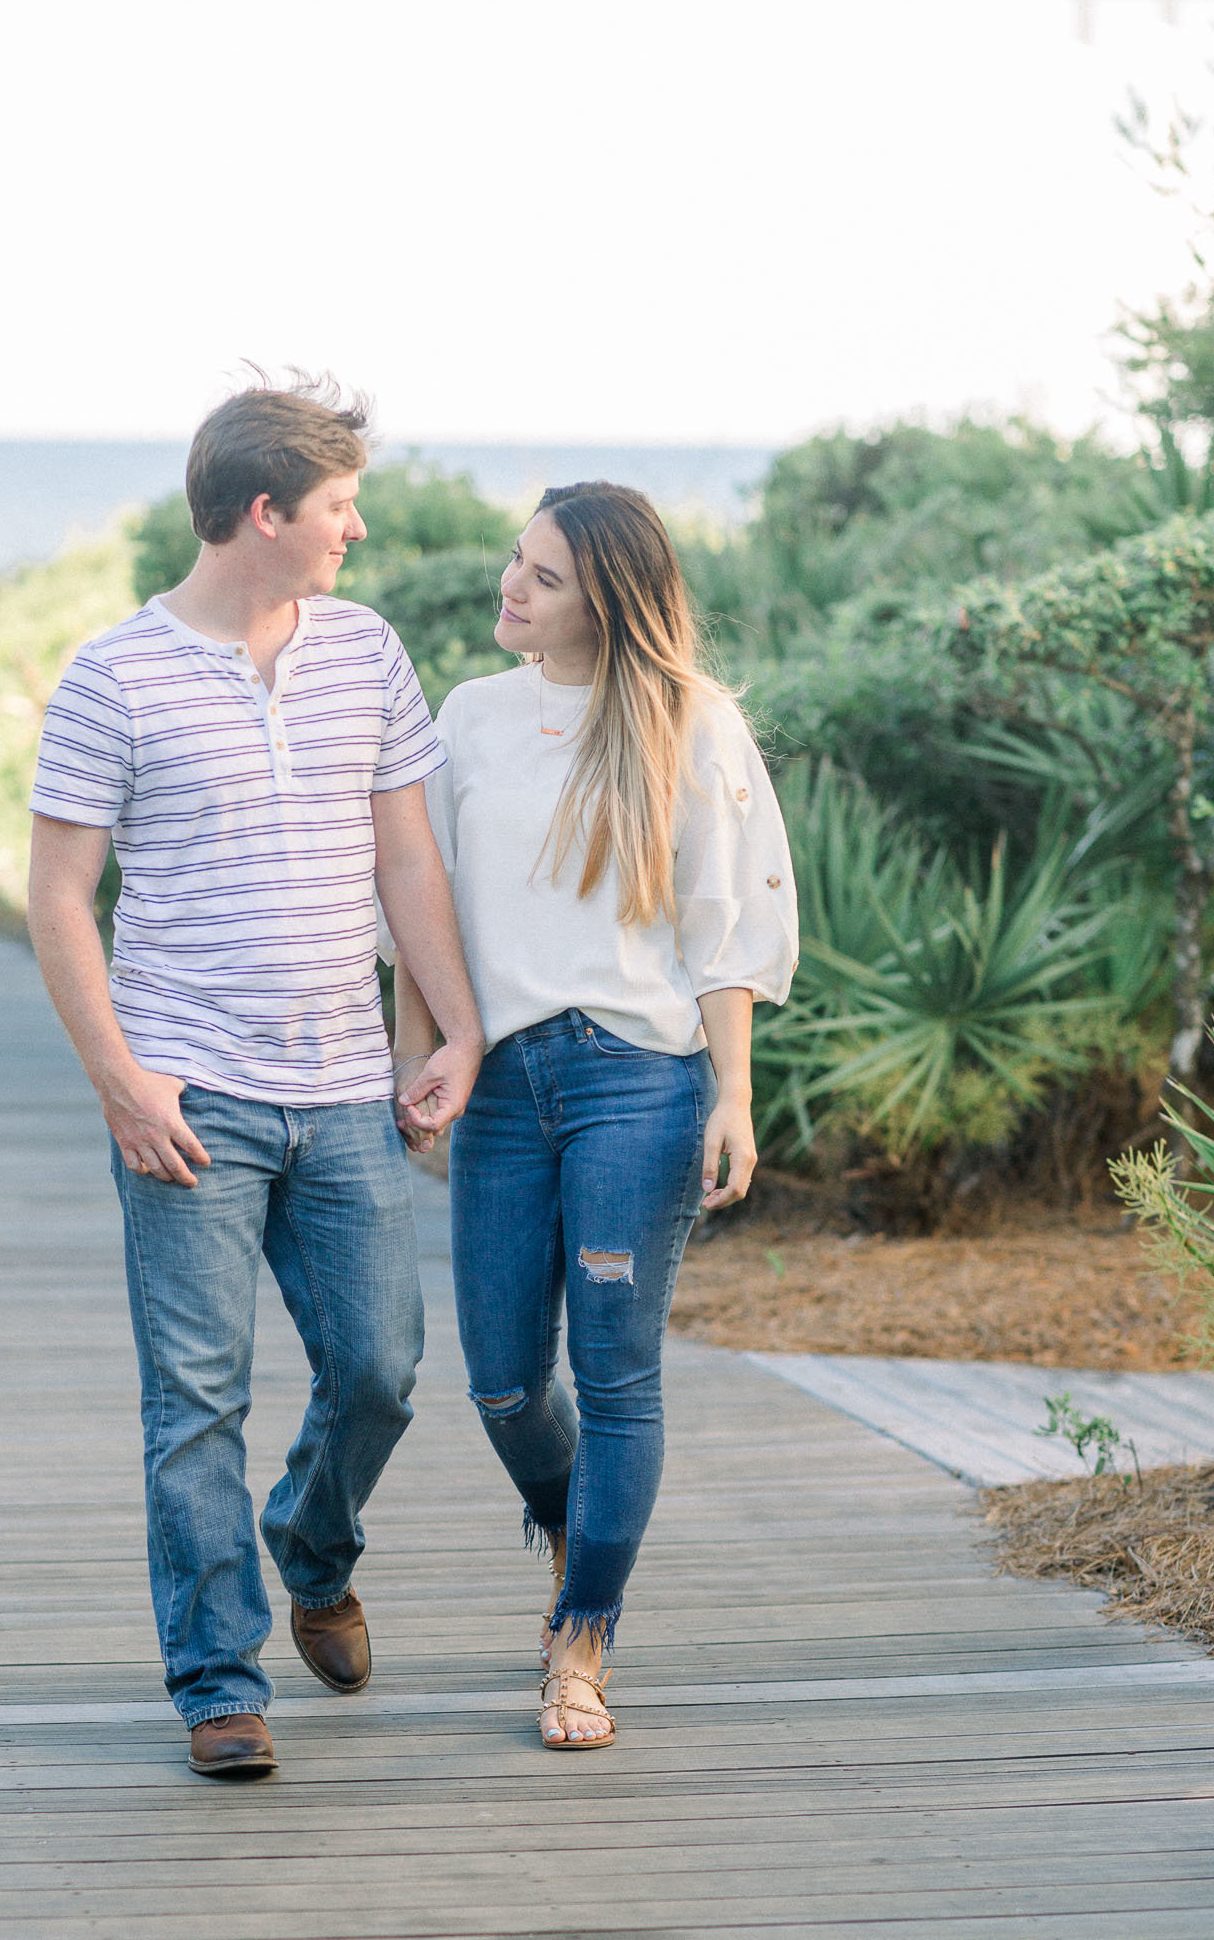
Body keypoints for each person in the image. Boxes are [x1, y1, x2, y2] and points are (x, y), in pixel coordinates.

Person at [27, 375, 483, 1779]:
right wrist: (120, 1080)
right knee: (196, 1400)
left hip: (345, 1081)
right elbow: (56, 896)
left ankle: (311, 1540)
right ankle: (219, 1682)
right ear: (265, 513)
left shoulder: (365, 652)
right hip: (188, 1096)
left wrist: (451, 1030)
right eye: (337, 507)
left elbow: (406, 855)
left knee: (382, 1369)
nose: (356, 529)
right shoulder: (115, 675)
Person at [392, 482, 798, 1749]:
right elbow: (423, 909)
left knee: (617, 1377)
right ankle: (586, 1528)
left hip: (640, 1079)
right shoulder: (467, 718)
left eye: (544, 577)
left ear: (606, 602)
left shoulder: (693, 721)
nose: (511, 588)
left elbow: (721, 926)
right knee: (506, 1382)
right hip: (505, 1082)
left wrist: (732, 1090)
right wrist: (421, 1064)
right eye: (518, 563)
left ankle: (581, 1636)